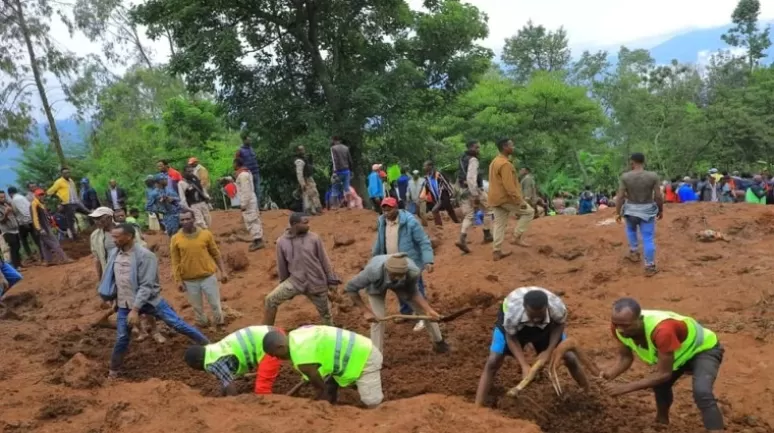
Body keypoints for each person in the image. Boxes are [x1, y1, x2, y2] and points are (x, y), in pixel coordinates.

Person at [97, 223, 210, 378]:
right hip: (125, 303)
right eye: (112, 236)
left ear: (129, 237)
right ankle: (113, 372)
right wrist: (116, 299)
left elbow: (146, 286)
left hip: (149, 301)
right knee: (122, 337)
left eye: (117, 237)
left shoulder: (145, 256)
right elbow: (117, 280)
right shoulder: (114, 254)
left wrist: (135, 310)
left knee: (176, 323)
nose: (113, 239)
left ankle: (209, 345)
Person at [602, 298, 724, 432]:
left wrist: (624, 388)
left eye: (626, 326)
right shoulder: (618, 327)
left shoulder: (662, 330)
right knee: (660, 387)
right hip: (676, 356)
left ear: (640, 319)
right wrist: (609, 375)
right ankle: (661, 424)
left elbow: (664, 374)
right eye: (616, 324)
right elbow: (625, 357)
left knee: (702, 392)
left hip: (702, 349)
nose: (620, 330)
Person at [474, 287, 589, 406]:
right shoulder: (512, 312)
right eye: (532, 316)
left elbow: (559, 325)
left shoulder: (557, 307)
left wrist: (548, 351)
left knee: (570, 357)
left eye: (540, 316)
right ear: (524, 307)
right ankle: (477, 407)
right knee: (493, 361)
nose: (535, 320)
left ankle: (588, 395)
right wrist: (524, 365)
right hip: (514, 329)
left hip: (546, 328)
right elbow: (511, 338)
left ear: (547, 308)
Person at [345, 253, 449, 354]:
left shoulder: (412, 272)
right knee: (378, 319)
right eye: (394, 275)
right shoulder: (373, 271)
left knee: (424, 312)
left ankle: (439, 342)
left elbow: (413, 292)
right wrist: (365, 311)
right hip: (376, 286)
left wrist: (429, 310)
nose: (397, 278)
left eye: (400, 275)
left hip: (402, 286)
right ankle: (376, 356)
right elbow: (350, 288)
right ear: (387, 270)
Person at [262, 326, 383, 408]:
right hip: (357, 345)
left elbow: (321, 389)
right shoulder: (296, 334)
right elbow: (318, 362)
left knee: (372, 402)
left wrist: (317, 407)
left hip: (365, 357)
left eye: (275, 355)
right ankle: (335, 403)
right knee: (329, 383)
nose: (277, 359)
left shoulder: (302, 359)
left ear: (280, 347)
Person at [264, 213, 339, 326]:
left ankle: (331, 338)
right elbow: (282, 266)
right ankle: (266, 333)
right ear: (294, 224)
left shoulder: (314, 238)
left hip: (317, 283)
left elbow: (324, 260)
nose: (308, 225)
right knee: (270, 300)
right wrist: (284, 283)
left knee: (326, 315)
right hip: (295, 282)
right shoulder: (281, 242)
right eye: (305, 223)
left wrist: (331, 279)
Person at [371, 197, 433, 331]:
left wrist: (428, 260)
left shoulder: (410, 222)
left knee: (416, 289)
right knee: (399, 288)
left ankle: (422, 317)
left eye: (389, 209)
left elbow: (423, 241)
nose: (387, 212)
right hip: (392, 263)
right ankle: (406, 312)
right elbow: (380, 241)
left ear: (396, 208)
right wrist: (375, 259)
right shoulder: (382, 222)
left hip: (410, 263)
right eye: (384, 209)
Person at [183, 326, 283, 396]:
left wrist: (233, 406)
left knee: (262, 390)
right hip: (272, 334)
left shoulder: (212, 362)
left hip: (272, 346)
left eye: (194, 367)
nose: (197, 370)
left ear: (198, 362)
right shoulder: (212, 350)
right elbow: (224, 380)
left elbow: (231, 387)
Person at [171, 210, 229, 329]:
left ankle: (220, 325)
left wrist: (223, 271)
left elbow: (215, 253)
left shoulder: (205, 234)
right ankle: (204, 327)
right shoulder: (176, 238)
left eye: (187, 219)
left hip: (208, 276)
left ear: (194, 219)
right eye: (182, 220)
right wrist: (178, 280)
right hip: (189, 279)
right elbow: (175, 261)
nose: (185, 222)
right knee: (197, 308)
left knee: (215, 304)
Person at [615, 153, 663, 276]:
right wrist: (660, 210)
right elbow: (658, 196)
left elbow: (620, 196)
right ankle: (650, 266)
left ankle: (634, 251)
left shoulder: (625, 177)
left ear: (632, 162)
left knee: (630, 229)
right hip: (647, 210)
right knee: (648, 238)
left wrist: (618, 212)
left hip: (631, 209)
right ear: (644, 161)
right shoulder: (652, 176)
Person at [488, 138, 534, 260]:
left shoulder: (494, 162)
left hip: (495, 198)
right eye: (511, 145)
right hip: (505, 198)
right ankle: (517, 237)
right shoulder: (505, 164)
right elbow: (509, 186)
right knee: (529, 212)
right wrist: (520, 201)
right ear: (505, 147)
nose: (513, 147)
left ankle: (496, 251)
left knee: (499, 224)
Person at [456, 140, 493, 253]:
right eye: (476, 148)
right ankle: (487, 234)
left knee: (469, 215)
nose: (478, 150)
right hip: (474, 190)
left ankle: (462, 237)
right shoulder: (473, 160)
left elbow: (460, 177)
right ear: (471, 148)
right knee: (489, 210)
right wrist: (476, 194)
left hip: (463, 190)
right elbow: (471, 178)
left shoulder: (462, 159)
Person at [31, 190, 71, 265]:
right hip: (42, 228)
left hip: (45, 226)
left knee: (45, 245)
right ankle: (64, 259)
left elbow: (46, 216)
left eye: (42, 194)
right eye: (40, 195)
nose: (42, 196)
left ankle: (49, 261)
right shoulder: (34, 204)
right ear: (36, 196)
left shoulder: (40, 204)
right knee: (54, 242)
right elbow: (34, 218)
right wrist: (39, 229)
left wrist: (51, 223)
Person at [234, 157, 265, 251]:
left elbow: (245, 191)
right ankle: (257, 240)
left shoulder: (242, 175)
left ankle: (258, 240)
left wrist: (243, 204)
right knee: (254, 219)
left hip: (248, 201)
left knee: (251, 220)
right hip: (251, 199)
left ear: (237, 164)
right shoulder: (246, 172)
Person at [47, 167, 86, 238]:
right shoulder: (59, 182)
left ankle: (99, 223)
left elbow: (73, 191)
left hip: (76, 202)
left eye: (68, 172)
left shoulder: (71, 181)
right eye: (65, 173)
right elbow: (49, 192)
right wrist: (59, 198)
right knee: (70, 221)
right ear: (62, 174)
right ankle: (75, 237)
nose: (67, 174)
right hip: (67, 204)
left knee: (87, 212)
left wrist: (78, 199)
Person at [420, 160, 458, 226]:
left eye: (425, 166)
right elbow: (426, 188)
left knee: (434, 210)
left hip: (443, 196)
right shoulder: (427, 178)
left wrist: (452, 193)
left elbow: (446, 183)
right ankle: (457, 222)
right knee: (450, 210)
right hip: (437, 198)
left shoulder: (439, 174)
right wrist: (421, 197)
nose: (424, 167)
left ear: (430, 166)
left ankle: (439, 226)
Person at [294, 145, 322, 215]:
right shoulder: (299, 160)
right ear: (297, 151)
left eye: (303, 149)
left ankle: (316, 209)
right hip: (305, 179)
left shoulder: (304, 159)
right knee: (307, 195)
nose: (303, 151)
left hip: (309, 178)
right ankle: (309, 210)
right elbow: (299, 173)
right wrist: (302, 183)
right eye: (301, 150)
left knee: (314, 193)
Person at [236, 134, 262, 205]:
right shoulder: (240, 150)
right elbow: (237, 162)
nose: (250, 141)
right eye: (248, 140)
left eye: (250, 140)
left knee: (258, 190)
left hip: (256, 172)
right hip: (247, 174)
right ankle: (252, 207)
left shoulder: (251, 149)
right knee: (249, 191)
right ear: (244, 140)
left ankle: (258, 207)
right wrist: (239, 172)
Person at [330, 136, 354, 208]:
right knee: (347, 187)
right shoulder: (346, 148)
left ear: (334, 140)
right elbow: (350, 160)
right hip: (347, 171)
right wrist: (351, 170)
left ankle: (335, 206)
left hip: (338, 171)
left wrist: (334, 172)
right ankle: (349, 205)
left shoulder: (333, 148)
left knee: (335, 187)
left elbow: (335, 161)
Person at [0, 191, 22, 269]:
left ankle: (19, 264)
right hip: (7, 230)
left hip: (15, 229)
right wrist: (6, 213)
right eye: (1, 197)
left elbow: (14, 214)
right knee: (13, 247)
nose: (3, 199)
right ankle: (16, 266)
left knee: (18, 246)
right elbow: (1, 221)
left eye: (4, 197)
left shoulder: (7, 204)